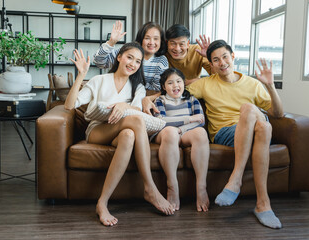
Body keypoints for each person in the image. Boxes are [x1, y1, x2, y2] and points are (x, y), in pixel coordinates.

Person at [64, 43, 175, 227]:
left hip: (121, 131)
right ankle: (150, 187)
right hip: (98, 130)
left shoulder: (137, 87)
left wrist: (124, 106)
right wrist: (81, 75)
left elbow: (138, 110)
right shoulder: (99, 80)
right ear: (119, 57)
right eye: (129, 57)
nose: (133, 63)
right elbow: (69, 105)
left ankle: (102, 202)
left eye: (138, 61)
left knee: (129, 136)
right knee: (136, 122)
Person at [187, 40, 284, 229]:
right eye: (216, 60)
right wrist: (149, 98)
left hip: (255, 129)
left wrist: (271, 86)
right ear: (211, 65)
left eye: (225, 57)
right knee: (261, 124)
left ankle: (238, 182)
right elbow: (174, 88)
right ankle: (263, 205)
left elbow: (278, 113)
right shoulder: (205, 83)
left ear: (233, 57)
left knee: (257, 120)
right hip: (225, 133)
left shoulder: (253, 84)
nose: (222, 62)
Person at [152, 68, 210, 212]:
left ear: (183, 83)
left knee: (201, 133)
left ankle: (201, 188)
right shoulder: (160, 100)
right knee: (171, 132)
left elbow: (200, 120)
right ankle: (172, 186)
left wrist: (181, 129)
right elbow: (161, 121)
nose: (175, 85)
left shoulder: (191, 99)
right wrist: (187, 119)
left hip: (184, 133)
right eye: (170, 83)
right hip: (165, 133)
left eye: (178, 81)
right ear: (164, 87)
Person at [143, 24, 212, 115]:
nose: (177, 48)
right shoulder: (163, 56)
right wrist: (193, 80)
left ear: (187, 44)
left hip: (192, 92)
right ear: (167, 43)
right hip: (169, 93)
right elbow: (161, 85)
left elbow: (215, 74)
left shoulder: (198, 51)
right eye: (173, 43)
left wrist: (210, 57)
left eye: (181, 44)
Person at [93, 21, 168, 93]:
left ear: (161, 41)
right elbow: (99, 63)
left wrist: (133, 84)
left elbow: (157, 90)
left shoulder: (161, 61)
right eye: (147, 38)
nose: (151, 42)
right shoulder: (128, 51)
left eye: (156, 39)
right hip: (116, 93)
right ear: (141, 39)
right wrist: (111, 42)